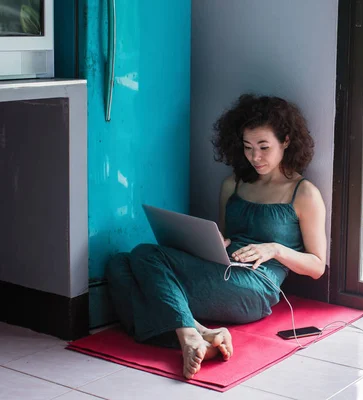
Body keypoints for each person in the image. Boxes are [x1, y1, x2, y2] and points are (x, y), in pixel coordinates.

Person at [105, 94, 327, 380]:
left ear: (286, 140)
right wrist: (213, 243)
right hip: (219, 272)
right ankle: (203, 334)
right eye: (248, 147)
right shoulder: (232, 184)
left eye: (264, 147)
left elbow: (317, 266)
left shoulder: (304, 193)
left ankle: (187, 335)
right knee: (119, 264)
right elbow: (221, 236)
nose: (255, 157)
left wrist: (275, 249)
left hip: (255, 287)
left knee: (146, 256)